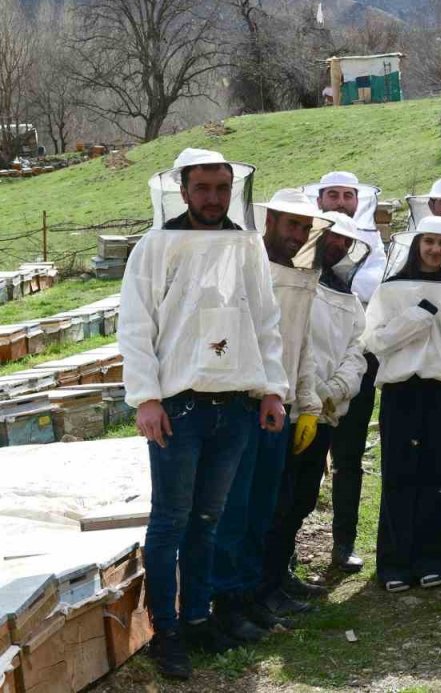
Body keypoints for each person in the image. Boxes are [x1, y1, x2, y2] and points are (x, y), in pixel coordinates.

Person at [120, 148, 288, 679]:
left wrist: (271, 390)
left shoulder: (245, 245)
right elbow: (135, 324)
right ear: (183, 190)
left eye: (221, 188)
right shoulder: (155, 245)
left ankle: (196, 619)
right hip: (178, 406)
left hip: (234, 405)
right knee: (171, 520)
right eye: (202, 188)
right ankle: (165, 631)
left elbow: (264, 319)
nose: (213, 198)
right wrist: (146, 397)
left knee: (208, 521)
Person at [211, 189, 330, 642]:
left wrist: (308, 404)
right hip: (246, 404)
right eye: (291, 224)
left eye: (304, 227)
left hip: (281, 406)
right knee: (236, 511)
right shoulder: (245, 267)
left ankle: (258, 594)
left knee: (265, 509)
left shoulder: (304, 274)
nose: (297, 234)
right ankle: (229, 603)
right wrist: (264, 392)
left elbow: (298, 346)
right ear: (271, 222)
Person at [362, 217, 441, 591]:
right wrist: (419, 316)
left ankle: (435, 559)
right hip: (402, 391)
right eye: (429, 242)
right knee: (399, 475)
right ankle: (394, 563)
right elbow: (375, 341)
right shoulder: (391, 288)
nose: (435, 250)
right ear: (417, 245)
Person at [258, 212, 369, 614]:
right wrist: (308, 397)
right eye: (332, 239)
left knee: (302, 498)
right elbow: (295, 345)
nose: (337, 247)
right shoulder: (288, 280)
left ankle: (278, 580)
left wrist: (332, 393)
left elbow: (358, 350)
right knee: (277, 501)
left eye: (345, 243)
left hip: (322, 411)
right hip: (283, 407)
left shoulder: (349, 297)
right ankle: (263, 585)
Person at [304, 171, 385, 574]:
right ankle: (285, 550)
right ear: (319, 200)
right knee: (303, 459)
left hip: (358, 364)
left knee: (349, 458)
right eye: (332, 194)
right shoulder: (301, 241)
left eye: (347, 195)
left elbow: (373, 291)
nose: (339, 200)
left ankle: (344, 542)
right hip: (306, 370)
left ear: (358, 201)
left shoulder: (373, 244)